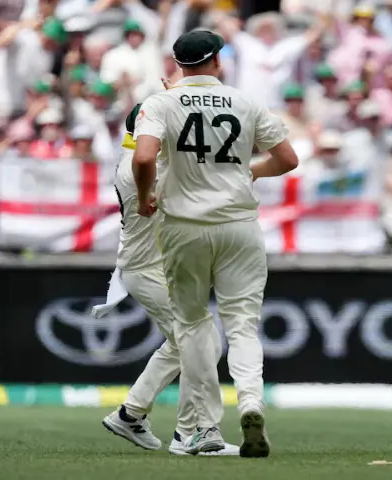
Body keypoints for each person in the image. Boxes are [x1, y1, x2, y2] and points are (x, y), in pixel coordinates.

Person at [131, 29, 299, 457]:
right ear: (218, 61)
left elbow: (144, 155)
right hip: (239, 226)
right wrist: (250, 171)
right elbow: (287, 159)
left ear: (177, 64)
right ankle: (251, 402)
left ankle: (204, 427)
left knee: (191, 326)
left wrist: (147, 195)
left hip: (184, 227)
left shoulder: (161, 102)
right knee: (242, 325)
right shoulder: (245, 101)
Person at [96, 103, 239, 456]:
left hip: (154, 268)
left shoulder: (148, 161)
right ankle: (188, 434)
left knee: (188, 342)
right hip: (146, 270)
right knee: (201, 342)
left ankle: (131, 414)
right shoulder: (140, 166)